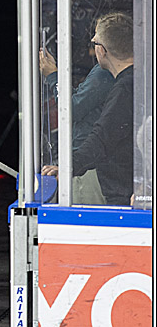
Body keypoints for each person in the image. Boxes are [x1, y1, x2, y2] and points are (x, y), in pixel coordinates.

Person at [41, 12, 135, 206]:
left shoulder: (124, 89)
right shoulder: (138, 80)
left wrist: (67, 168)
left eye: (95, 41)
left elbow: (102, 137)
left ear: (102, 50)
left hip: (116, 186)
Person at [38, 32, 115, 205]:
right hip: (93, 161)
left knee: (86, 224)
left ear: (103, 49)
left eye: (95, 41)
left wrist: (52, 75)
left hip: (88, 166)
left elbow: (72, 109)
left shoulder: (104, 73)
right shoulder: (119, 74)